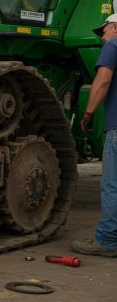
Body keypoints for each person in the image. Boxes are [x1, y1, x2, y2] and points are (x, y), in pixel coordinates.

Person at [71, 14, 117, 257]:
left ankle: (108, 240)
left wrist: (88, 113)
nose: (102, 37)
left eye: (105, 31)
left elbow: (103, 80)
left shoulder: (114, 45)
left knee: (112, 185)